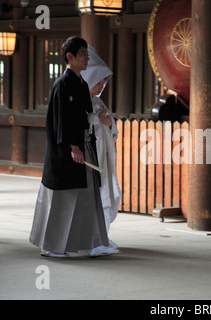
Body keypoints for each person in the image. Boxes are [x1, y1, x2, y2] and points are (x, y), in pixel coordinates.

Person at [29, 36, 119, 258]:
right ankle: (51, 245)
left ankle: (94, 242)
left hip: (85, 146)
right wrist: (72, 147)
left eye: (87, 55)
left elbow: (85, 117)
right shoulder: (62, 84)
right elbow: (61, 121)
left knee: (90, 197)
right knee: (63, 198)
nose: (87, 59)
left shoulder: (81, 84)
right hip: (67, 152)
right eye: (83, 55)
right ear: (69, 57)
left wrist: (98, 121)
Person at [81, 45, 121, 249]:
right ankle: (92, 237)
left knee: (108, 193)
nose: (101, 85)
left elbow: (112, 128)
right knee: (95, 196)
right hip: (90, 157)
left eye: (103, 81)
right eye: (97, 81)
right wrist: (97, 120)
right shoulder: (80, 101)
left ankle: (103, 234)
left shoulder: (98, 102)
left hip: (104, 157)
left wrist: (109, 123)